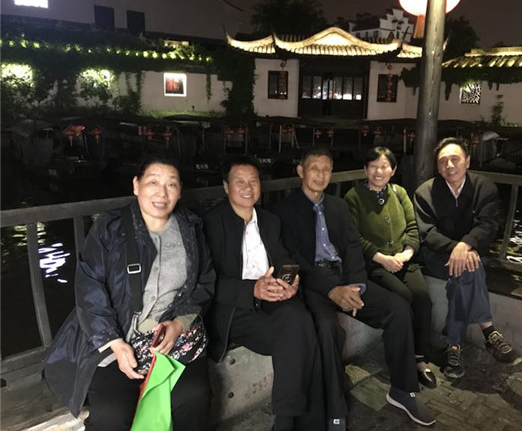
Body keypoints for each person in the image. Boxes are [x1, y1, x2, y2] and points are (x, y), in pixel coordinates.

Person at [44, 155, 216, 430]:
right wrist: (114, 342)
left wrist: (179, 324)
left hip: (170, 335)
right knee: (112, 414)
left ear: (180, 190)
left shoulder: (191, 228)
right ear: (136, 185)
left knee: (195, 397)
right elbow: (89, 286)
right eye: (153, 182)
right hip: (117, 334)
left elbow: (205, 281)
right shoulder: (110, 228)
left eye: (171, 184)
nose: (162, 193)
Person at [275, 148, 435, 429]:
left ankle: (402, 390)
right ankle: (335, 409)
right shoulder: (285, 210)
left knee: (399, 309)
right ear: (301, 171)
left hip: (347, 277)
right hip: (314, 284)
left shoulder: (338, 206)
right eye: (314, 169)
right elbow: (294, 259)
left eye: (326, 169)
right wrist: (332, 290)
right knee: (327, 330)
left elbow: (352, 248)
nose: (321, 175)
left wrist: (357, 285)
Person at [202, 157, 325, 431]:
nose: (248, 188)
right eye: (240, 182)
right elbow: (209, 281)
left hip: (272, 298)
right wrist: (252, 289)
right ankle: (299, 420)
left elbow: (282, 260)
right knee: (302, 334)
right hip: (235, 308)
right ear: (226, 187)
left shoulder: (269, 221)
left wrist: (290, 282)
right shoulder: (211, 223)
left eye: (253, 181)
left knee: (301, 320)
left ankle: (288, 420)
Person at [413, 137, 522, 379]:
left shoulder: (485, 187)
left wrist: (466, 245)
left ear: (468, 161)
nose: (449, 165)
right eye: (443, 161)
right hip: (437, 255)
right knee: (469, 267)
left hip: (471, 253)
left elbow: (488, 224)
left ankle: (453, 345)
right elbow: (427, 232)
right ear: (437, 166)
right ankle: (489, 331)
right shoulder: (425, 192)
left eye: (455, 159)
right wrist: (458, 248)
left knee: (466, 271)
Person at [344, 146, 436, 390]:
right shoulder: (353, 196)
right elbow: (354, 237)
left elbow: (413, 228)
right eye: (373, 166)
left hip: (404, 260)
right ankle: (403, 358)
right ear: (365, 169)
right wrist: (382, 258)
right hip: (375, 264)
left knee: (423, 299)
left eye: (384, 166)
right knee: (403, 297)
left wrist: (406, 254)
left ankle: (420, 359)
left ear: (393, 170)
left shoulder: (399, 192)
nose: (379, 171)